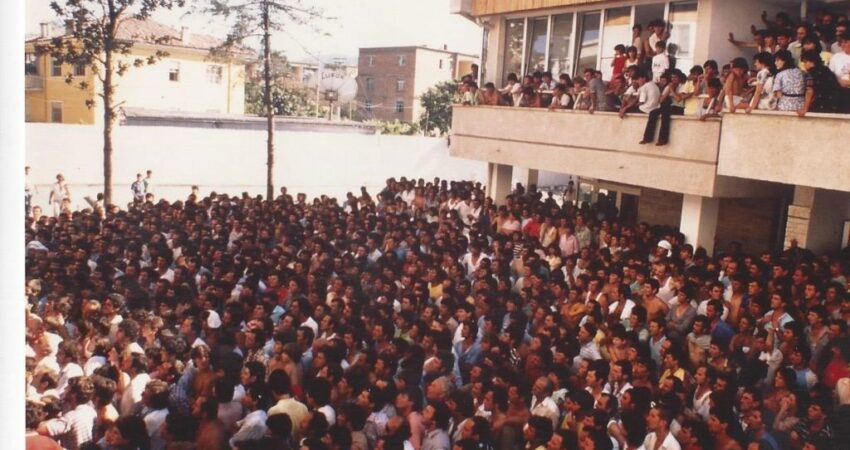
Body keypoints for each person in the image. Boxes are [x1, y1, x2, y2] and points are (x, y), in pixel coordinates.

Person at [799, 49, 843, 115]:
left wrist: (805, 108)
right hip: (834, 104)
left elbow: (810, 90)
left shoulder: (810, 74)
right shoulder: (827, 70)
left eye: (805, 62)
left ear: (812, 62)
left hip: (820, 104)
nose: (804, 65)